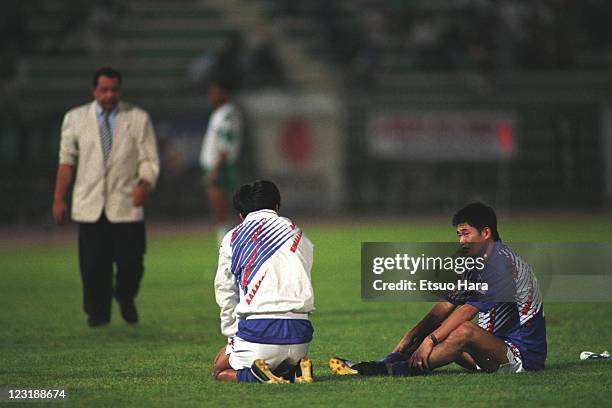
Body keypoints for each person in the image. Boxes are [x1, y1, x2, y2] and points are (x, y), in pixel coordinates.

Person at [330, 202, 547, 376]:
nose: (461, 240)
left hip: (520, 357)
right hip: (488, 351)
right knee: (434, 327)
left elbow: (467, 311)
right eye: (459, 235)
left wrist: (430, 341)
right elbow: (445, 306)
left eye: (466, 233)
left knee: (463, 330)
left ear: (486, 233)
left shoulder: (501, 265)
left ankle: (392, 370)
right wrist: (413, 335)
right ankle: (384, 362)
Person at [52, 66, 160, 327]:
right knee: (92, 267)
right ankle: (97, 314)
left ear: (119, 90)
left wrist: (144, 184)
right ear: (94, 90)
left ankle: (125, 296)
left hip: (126, 203)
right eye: (104, 90)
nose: (109, 95)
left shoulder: (137, 118)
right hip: (89, 205)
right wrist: (58, 199)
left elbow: (149, 158)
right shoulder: (75, 119)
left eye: (113, 90)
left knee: (131, 263)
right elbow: (66, 162)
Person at [212, 180, 315, 384]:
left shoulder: (232, 238)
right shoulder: (298, 233)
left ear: (241, 215)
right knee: (279, 357)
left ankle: (257, 376)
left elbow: (225, 290)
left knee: (219, 368)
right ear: (277, 206)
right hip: (301, 336)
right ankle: (293, 371)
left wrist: (232, 335)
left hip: (259, 333)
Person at [198, 77, 243, 244]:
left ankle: (227, 245)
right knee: (220, 210)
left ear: (224, 93)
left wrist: (216, 169)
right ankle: (226, 244)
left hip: (220, 167)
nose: (212, 95)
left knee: (221, 209)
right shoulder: (221, 113)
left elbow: (225, 145)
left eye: (215, 91)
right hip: (218, 165)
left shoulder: (227, 114)